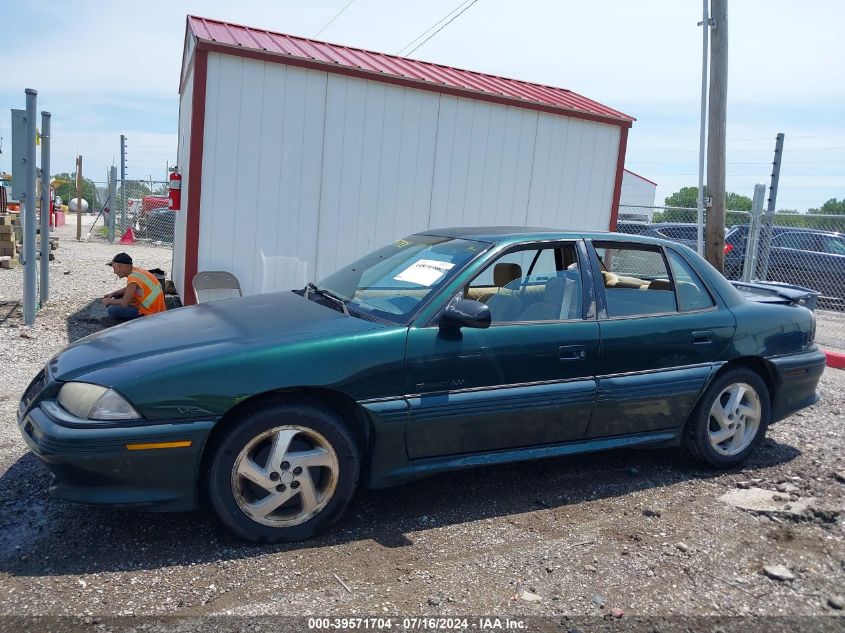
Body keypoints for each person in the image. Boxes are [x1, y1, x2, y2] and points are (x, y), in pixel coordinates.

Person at [102, 252, 166, 321]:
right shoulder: (137, 271)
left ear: (122, 267)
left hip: (151, 312)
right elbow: (129, 288)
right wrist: (113, 294)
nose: (115, 272)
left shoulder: (133, 278)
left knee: (113, 310)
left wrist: (109, 301)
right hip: (159, 309)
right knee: (119, 297)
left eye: (115, 268)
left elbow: (124, 303)